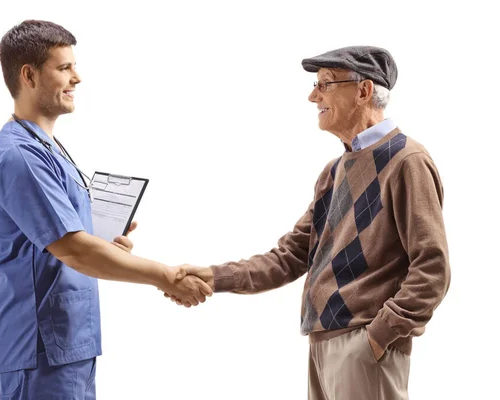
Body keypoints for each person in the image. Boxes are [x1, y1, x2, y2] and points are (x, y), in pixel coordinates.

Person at [168, 46, 451, 400]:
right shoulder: (334, 172)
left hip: (364, 346)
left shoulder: (407, 160)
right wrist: (212, 276)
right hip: (323, 344)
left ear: (363, 91)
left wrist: (380, 336)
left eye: (325, 84)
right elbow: (289, 257)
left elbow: (432, 267)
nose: (312, 95)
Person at [0, 20, 212, 400]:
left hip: (69, 345)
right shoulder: (21, 156)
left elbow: (73, 243)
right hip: (40, 351)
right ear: (29, 75)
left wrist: (103, 245)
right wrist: (165, 276)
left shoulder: (48, 149)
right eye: (64, 68)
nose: (78, 78)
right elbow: (75, 250)